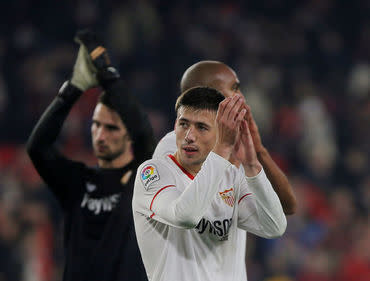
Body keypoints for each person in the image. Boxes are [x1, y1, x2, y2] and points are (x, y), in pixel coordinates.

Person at [152, 60, 296, 280]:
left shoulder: (235, 148)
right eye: (235, 88)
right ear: (206, 96)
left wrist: (259, 152)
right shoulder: (172, 148)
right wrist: (229, 160)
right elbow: (190, 213)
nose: (242, 97)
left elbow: (287, 207)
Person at [26, 30, 153, 281]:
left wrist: (108, 76)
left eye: (111, 128)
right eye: (96, 125)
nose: (100, 135)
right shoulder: (78, 182)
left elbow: (144, 135)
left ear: (129, 136)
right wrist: (72, 89)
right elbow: (38, 148)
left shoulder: (146, 180)